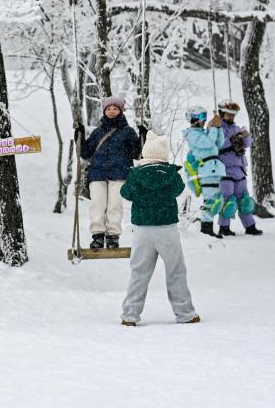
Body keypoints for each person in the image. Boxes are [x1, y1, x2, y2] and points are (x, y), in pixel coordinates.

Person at [120, 131, 199, 326]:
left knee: (139, 272)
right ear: (163, 156)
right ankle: (185, 313)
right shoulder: (171, 174)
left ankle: (130, 315)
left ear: (145, 155)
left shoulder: (136, 174)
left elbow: (125, 193)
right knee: (175, 270)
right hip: (166, 228)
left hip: (142, 230)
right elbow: (178, 189)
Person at [77, 96, 141, 250]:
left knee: (115, 206)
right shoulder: (98, 132)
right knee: (97, 205)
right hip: (97, 174)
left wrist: (142, 138)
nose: (112, 111)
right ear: (104, 111)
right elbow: (85, 153)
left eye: (115, 108)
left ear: (120, 110)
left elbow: (137, 154)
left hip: (119, 174)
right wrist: (80, 135)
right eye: (108, 109)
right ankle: (97, 235)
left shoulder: (128, 132)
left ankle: (113, 236)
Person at [216, 100, 263, 236]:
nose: (231, 117)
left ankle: (250, 226)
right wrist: (232, 139)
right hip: (226, 172)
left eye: (233, 115)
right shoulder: (218, 129)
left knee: (245, 200)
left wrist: (246, 136)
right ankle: (224, 227)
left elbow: (246, 144)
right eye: (228, 115)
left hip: (240, 171)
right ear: (222, 114)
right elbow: (218, 144)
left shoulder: (236, 128)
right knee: (227, 201)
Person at [182, 105, 227, 238]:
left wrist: (218, 127)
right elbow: (207, 143)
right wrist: (212, 128)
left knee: (217, 200)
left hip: (215, 169)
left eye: (205, 117)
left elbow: (219, 142)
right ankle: (206, 229)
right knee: (211, 201)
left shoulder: (205, 133)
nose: (204, 120)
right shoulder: (192, 134)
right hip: (206, 170)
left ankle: (207, 226)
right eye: (202, 117)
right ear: (193, 118)